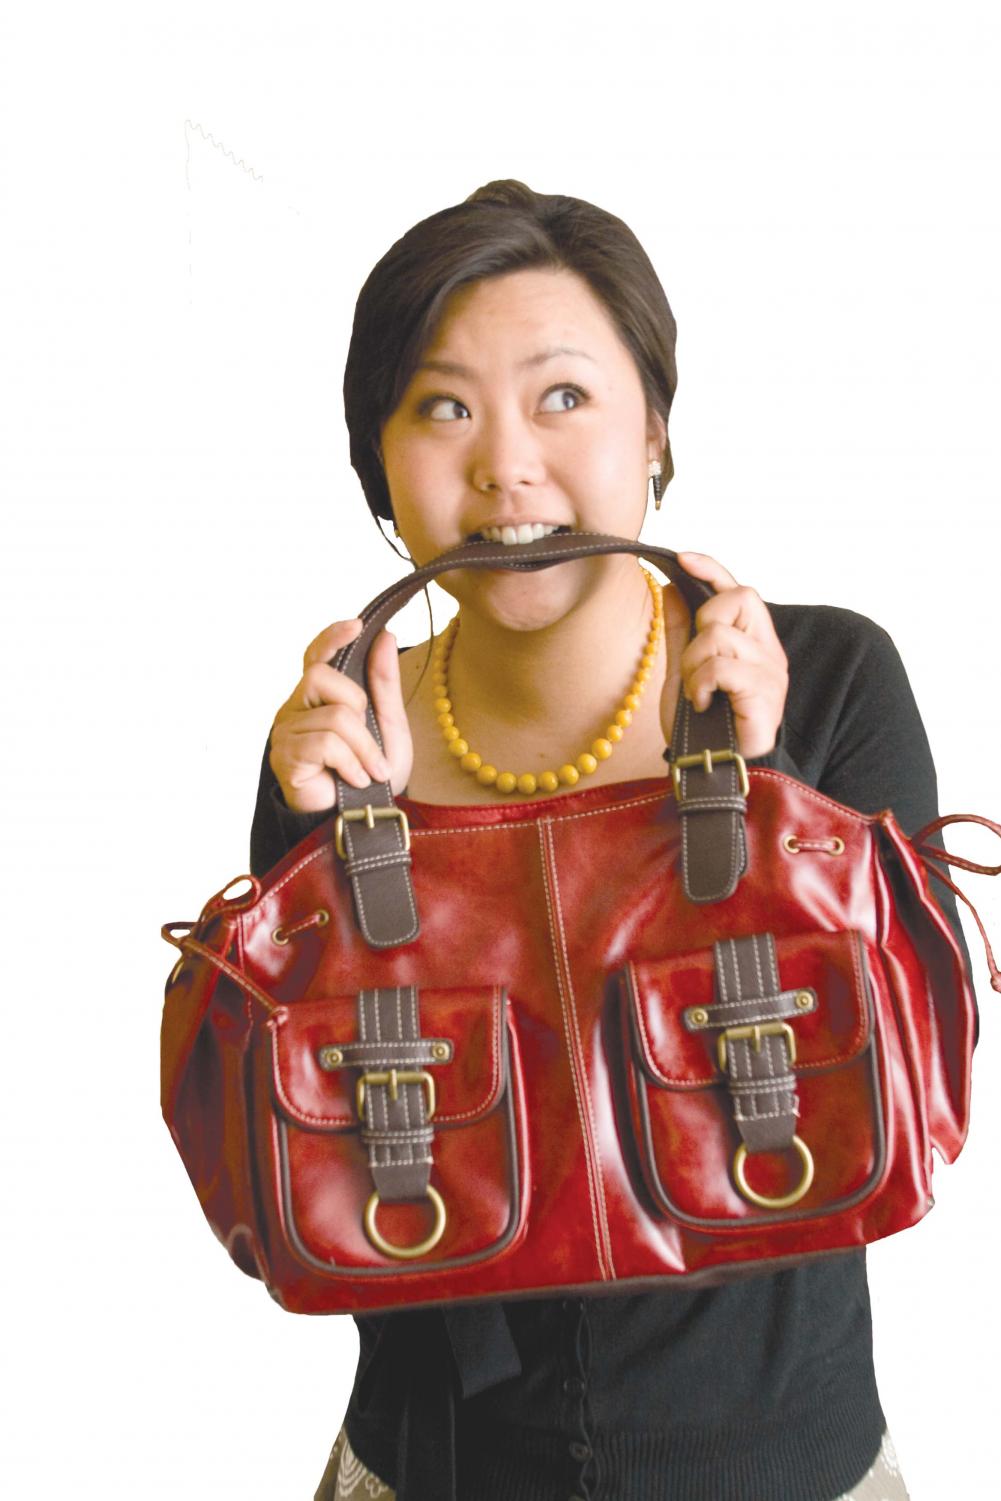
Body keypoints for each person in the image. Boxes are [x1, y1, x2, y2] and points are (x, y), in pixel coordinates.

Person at [249, 180, 974, 1501]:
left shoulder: (824, 679)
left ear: (655, 427)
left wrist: (764, 808)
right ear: (377, 463)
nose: (504, 460)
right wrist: (328, 860)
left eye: (561, 395)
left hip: (786, 1472)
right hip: (428, 1473)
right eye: (441, 405)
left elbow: (919, 1080)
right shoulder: (342, 742)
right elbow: (304, 1180)